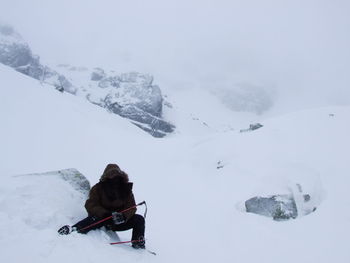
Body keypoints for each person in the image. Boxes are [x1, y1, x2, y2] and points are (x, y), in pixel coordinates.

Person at [58, 164, 146, 249]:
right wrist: (105, 214)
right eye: (112, 177)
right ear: (106, 177)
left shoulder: (126, 189)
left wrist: (123, 216)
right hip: (102, 219)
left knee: (139, 219)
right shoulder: (98, 188)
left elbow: (132, 207)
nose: (115, 180)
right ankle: (73, 229)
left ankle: (138, 242)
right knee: (94, 218)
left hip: (118, 222)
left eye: (117, 177)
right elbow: (90, 204)